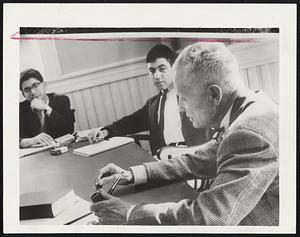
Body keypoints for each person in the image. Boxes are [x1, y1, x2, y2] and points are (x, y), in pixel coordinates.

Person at [90, 42, 279, 225]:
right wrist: (132, 174)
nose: (180, 107)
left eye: (184, 98)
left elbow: (209, 217)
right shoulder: (248, 107)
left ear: (214, 95)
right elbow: (197, 161)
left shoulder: (249, 133)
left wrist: (130, 214)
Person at [88, 44, 210, 155]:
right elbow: (130, 122)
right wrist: (106, 131)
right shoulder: (153, 104)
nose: (156, 76)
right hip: (162, 157)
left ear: (173, 68)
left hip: (190, 157)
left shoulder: (191, 95)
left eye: (162, 69)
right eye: (152, 71)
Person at [19, 68, 75, 148]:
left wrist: (46, 108)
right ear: (24, 94)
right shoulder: (20, 109)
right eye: (27, 90)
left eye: (35, 86)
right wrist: (32, 140)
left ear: (44, 85)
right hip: (36, 155)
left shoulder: (61, 100)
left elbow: (69, 130)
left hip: (61, 149)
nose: (33, 92)